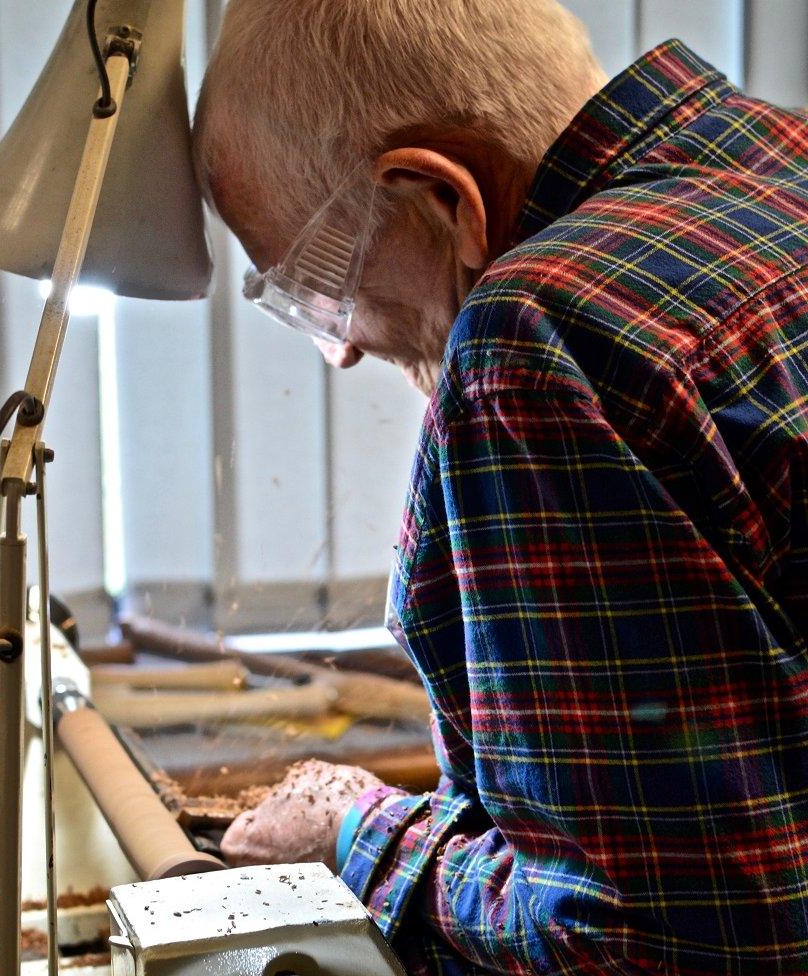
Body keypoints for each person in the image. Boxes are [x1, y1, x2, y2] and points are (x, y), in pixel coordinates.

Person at [193, 1, 808, 973]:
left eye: (317, 285)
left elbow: (652, 942)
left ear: (441, 200)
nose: (342, 348)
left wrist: (358, 831)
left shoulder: (544, 332)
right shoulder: (780, 161)